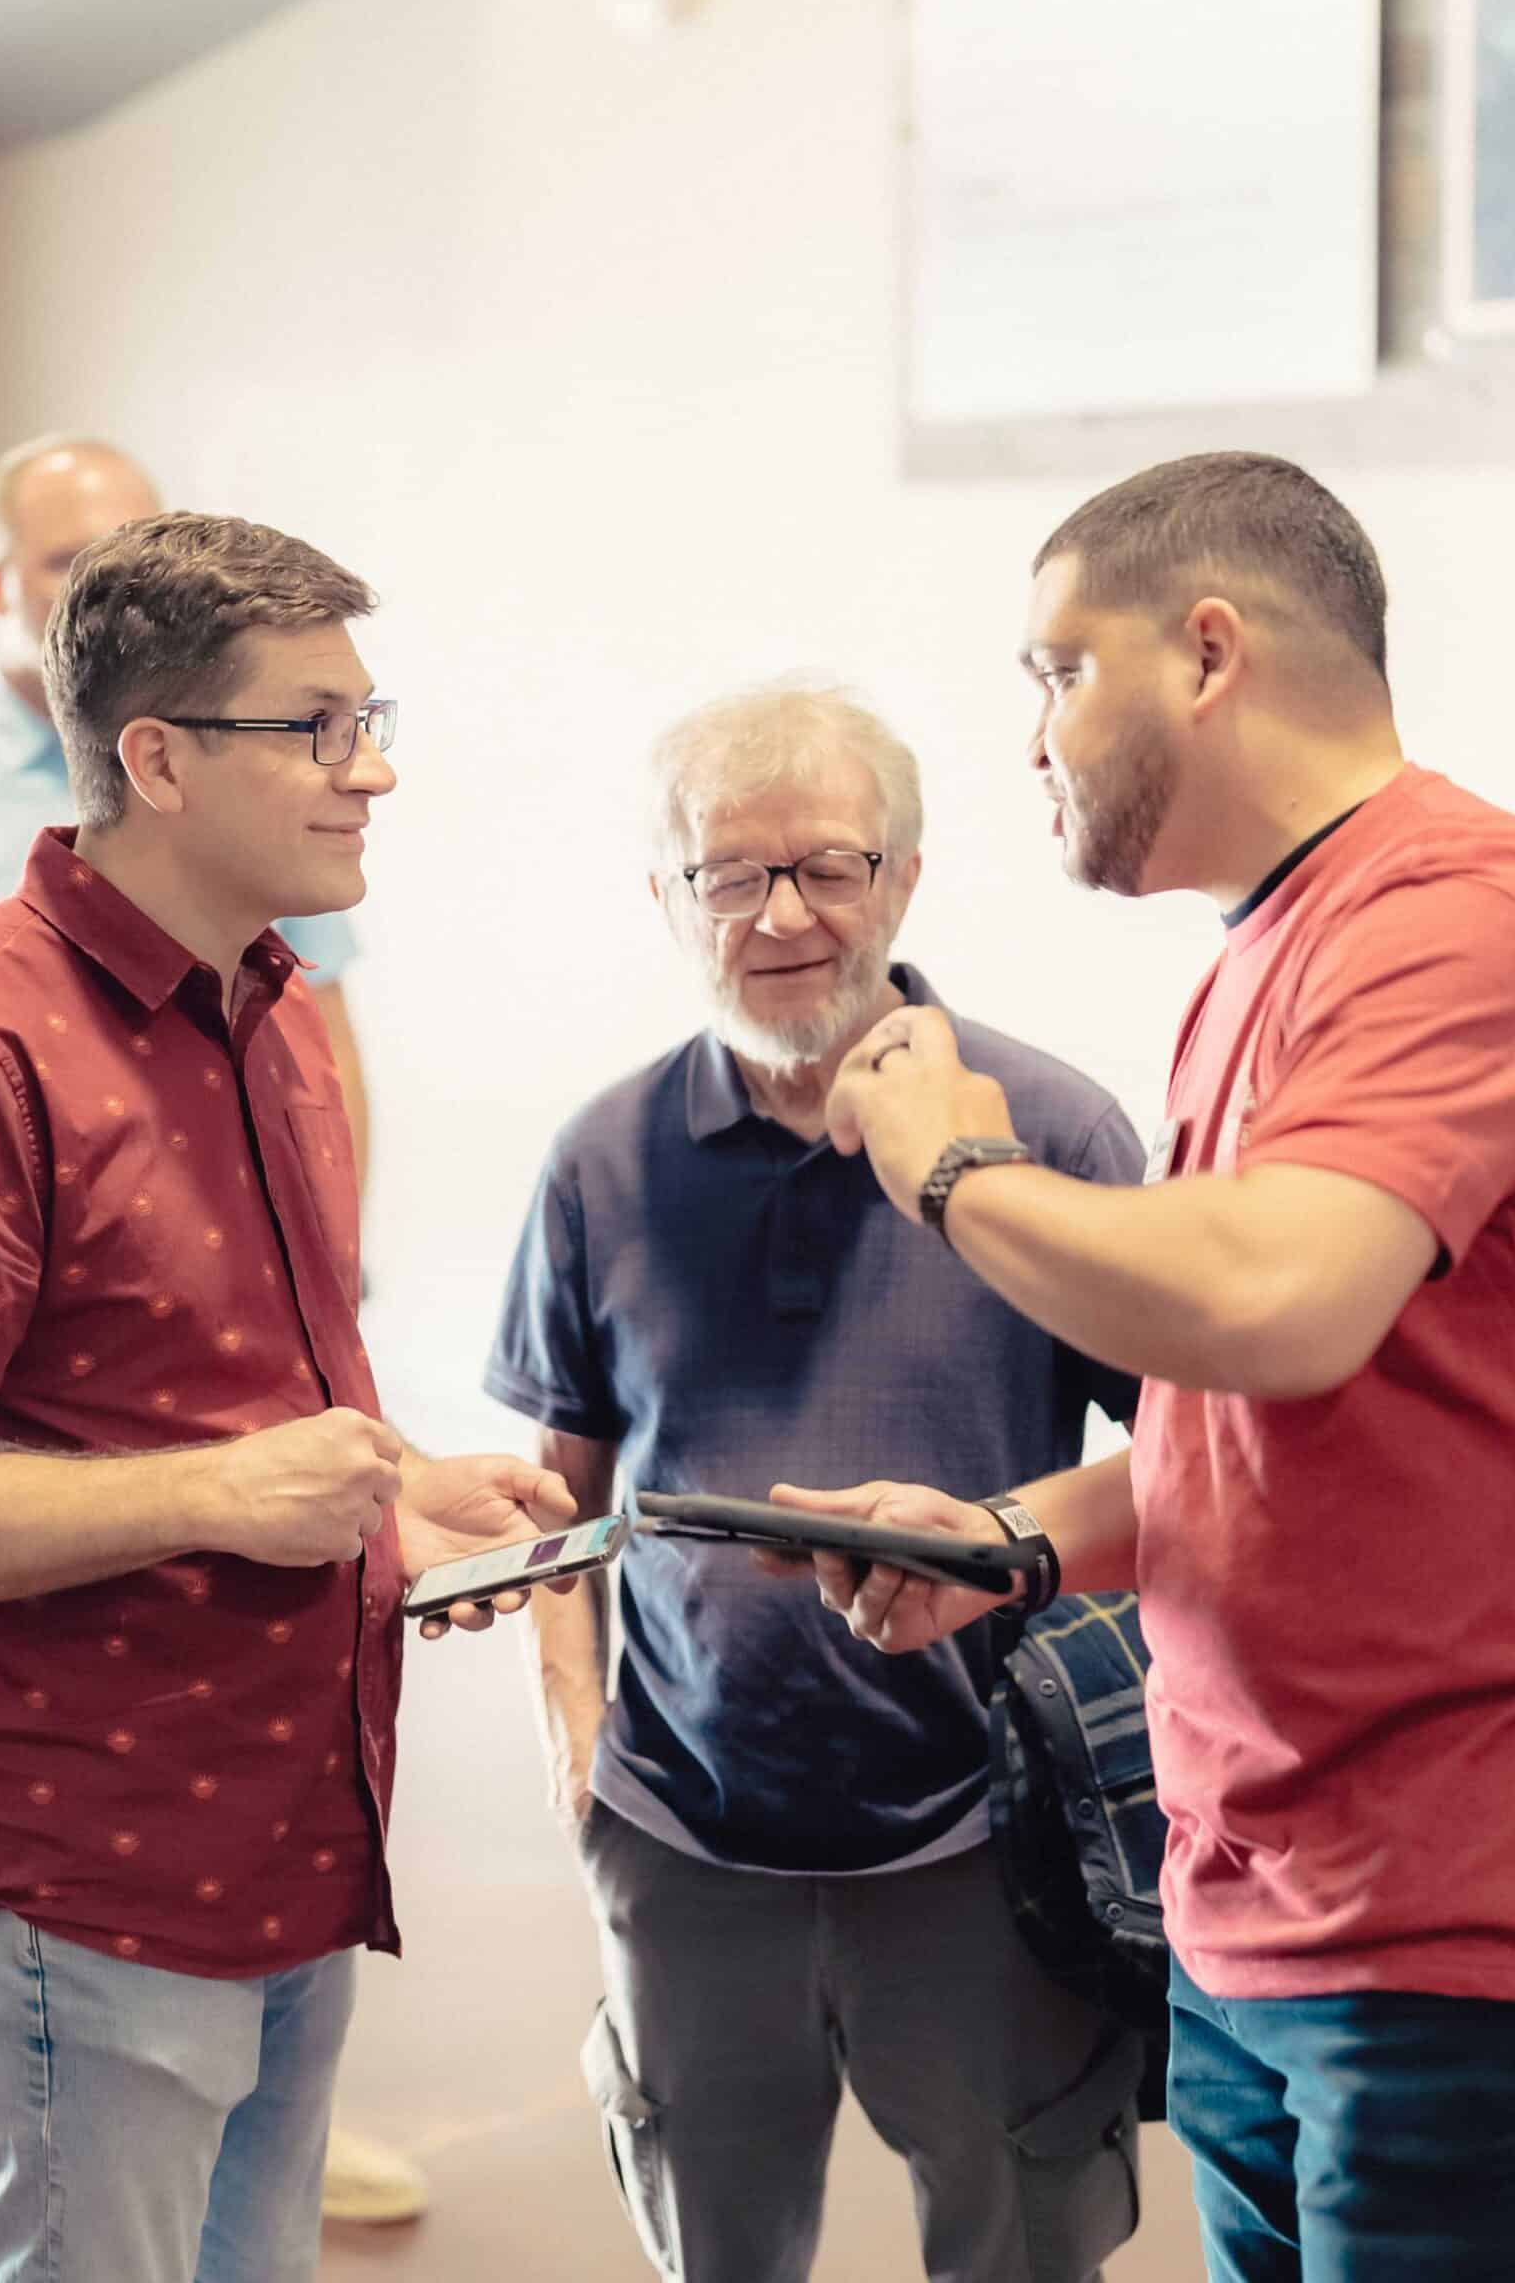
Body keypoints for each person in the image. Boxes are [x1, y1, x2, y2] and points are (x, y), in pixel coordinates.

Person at [778, 453, 1515, 2281]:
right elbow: (1268, 1418)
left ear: (1208, 649)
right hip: (1273, 1909)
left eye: (1055, 672)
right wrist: (1004, 1538)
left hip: (1490, 1916)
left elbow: (1275, 1301)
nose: (1033, 740)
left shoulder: (1468, 919)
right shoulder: (1279, 942)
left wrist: (946, 1158)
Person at [0, 509, 572, 2283]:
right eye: (319, 728)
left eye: (373, 719)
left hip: (291, 1819)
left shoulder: (271, 1006)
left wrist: (391, 1488)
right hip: (88, 1861)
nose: (372, 773)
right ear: (156, 758)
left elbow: (228, 1400)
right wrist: (216, 1494)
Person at [485, 684, 1151, 2283]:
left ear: (905, 877)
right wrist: (581, 1748)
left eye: (829, 867)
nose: (781, 914)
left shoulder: (1049, 1130)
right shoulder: (599, 1160)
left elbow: (1196, 1455)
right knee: (721, 2246)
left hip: (986, 1837)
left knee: (1020, 2238)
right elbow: (558, 1493)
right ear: (667, 899)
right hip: (684, 1829)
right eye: (728, 874)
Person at [0, 434, 371, 1188]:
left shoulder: (266, 789)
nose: (118, 600)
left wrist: (331, 1264)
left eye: (139, 565)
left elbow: (324, 1047)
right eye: (73, 565)